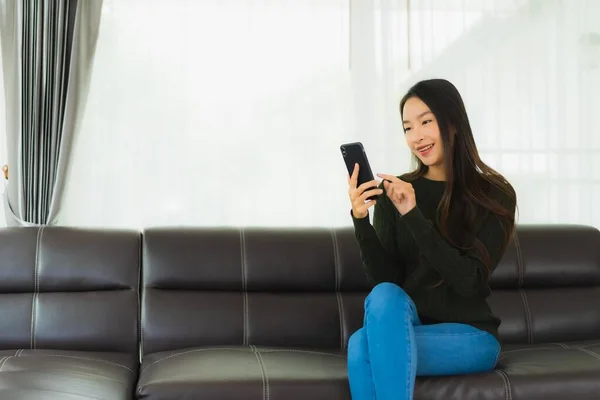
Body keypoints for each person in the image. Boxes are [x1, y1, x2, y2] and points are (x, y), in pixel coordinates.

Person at [345, 78, 517, 400]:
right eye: (408, 128)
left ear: (452, 122)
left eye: (426, 122)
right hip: (409, 327)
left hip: (471, 335)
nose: (417, 137)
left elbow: (469, 282)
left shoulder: (494, 195)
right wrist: (361, 221)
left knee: (362, 346)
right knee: (382, 297)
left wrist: (413, 215)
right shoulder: (394, 193)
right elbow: (388, 283)